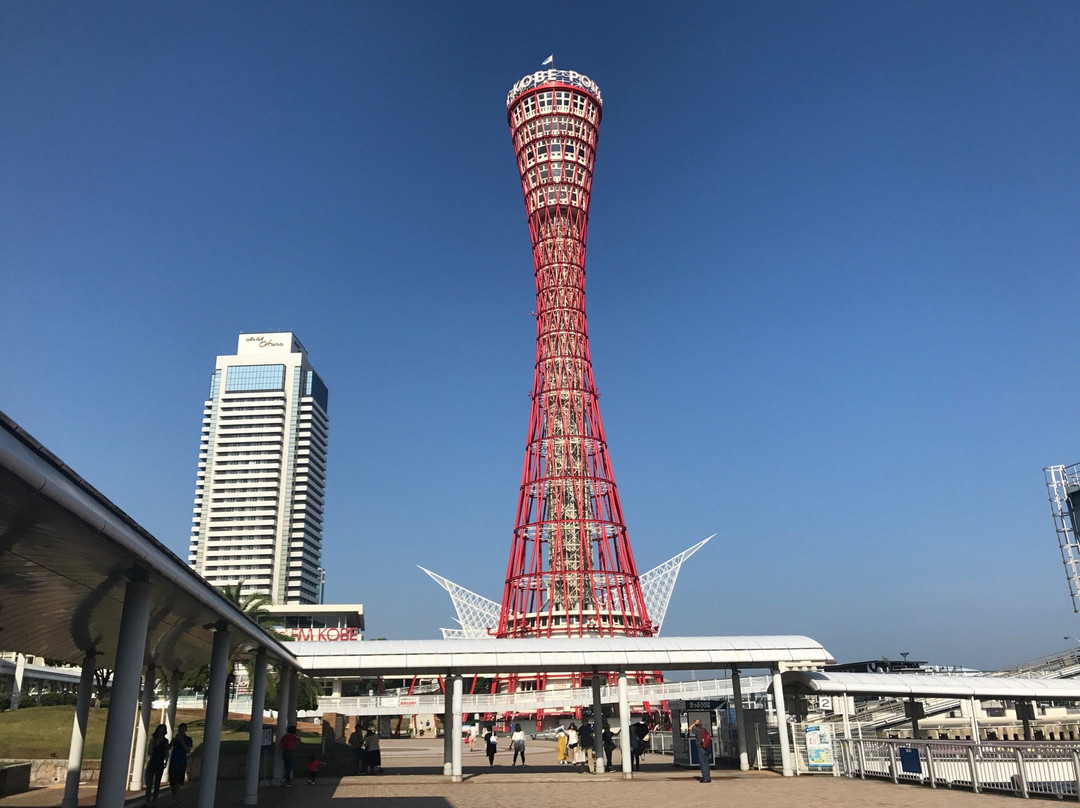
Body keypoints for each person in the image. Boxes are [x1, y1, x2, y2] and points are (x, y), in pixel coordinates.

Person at [168, 723, 193, 804]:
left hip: (182, 761)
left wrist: (182, 741)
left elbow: (188, 750)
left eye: (182, 729)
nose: (181, 731)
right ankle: (174, 797)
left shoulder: (188, 739)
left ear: (185, 730)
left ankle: (175, 797)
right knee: (173, 781)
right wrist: (174, 740)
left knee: (179, 780)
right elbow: (169, 747)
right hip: (174, 761)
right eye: (180, 729)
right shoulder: (175, 739)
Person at [144, 724, 169, 805]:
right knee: (149, 783)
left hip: (160, 762)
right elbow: (149, 751)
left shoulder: (165, 741)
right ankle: (147, 800)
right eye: (160, 729)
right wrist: (155, 744)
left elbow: (166, 752)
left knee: (157, 783)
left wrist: (166, 760)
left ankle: (154, 800)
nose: (161, 731)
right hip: (152, 762)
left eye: (163, 730)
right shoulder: (153, 740)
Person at [690, 719, 711, 783]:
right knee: (706, 763)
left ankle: (706, 778)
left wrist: (694, 723)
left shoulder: (697, 730)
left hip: (701, 747)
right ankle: (707, 777)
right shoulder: (703, 729)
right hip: (706, 747)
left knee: (703, 763)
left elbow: (690, 728)